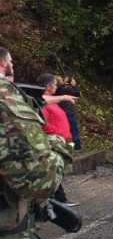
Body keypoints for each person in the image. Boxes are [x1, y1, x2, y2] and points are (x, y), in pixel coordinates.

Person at [1, 46, 71, 239]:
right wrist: (56, 144)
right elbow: (39, 180)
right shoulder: (5, 99)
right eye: (12, 63)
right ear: (3, 63)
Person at [38, 74, 79, 207]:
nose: (57, 87)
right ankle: (59, 199)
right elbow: (43, 123)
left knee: (59, 171)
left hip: (63, 140)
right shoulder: (43, 102)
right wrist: (57, 132)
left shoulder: (52, 100)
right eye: (55, 84)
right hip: (55, 141)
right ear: (48, 86)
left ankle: (58, 198)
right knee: (55, 171)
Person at [54, 75, 82, 152]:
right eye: (61, 80)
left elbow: (60, 87)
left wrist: (64, 83)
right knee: (74, 132)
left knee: (63, 133)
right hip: (69, 113)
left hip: (59, 114)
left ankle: (65, 149)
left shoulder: (54, 90)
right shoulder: (67, 88)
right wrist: (74, 85)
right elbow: (76, 94)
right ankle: (77, 149)